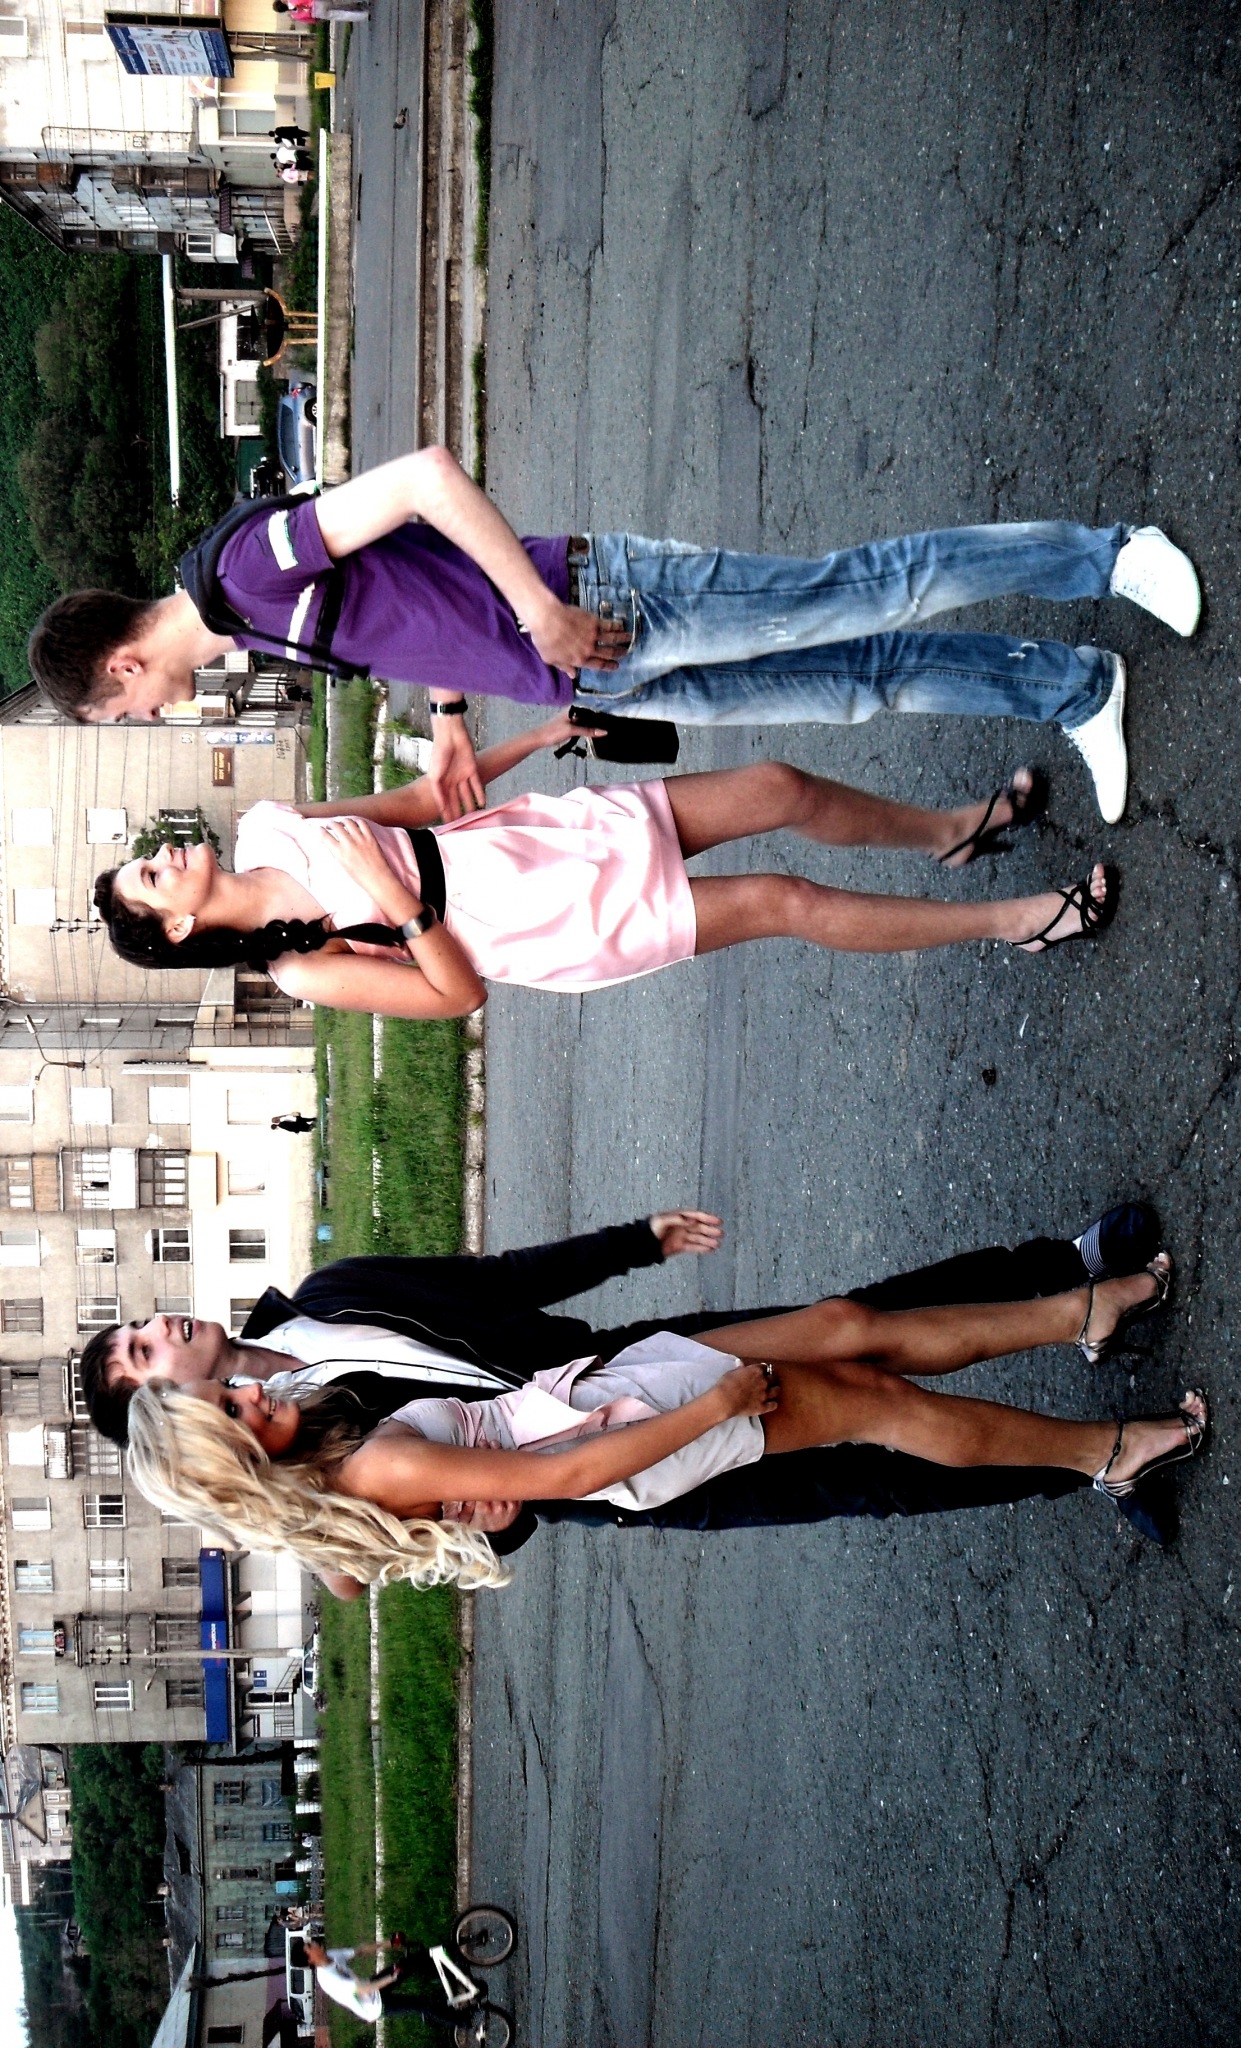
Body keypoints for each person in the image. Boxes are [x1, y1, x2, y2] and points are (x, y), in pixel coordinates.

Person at [25, 443, 1201, 824]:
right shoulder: (245, 624)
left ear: (122, 664)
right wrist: (449, 716)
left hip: (599, 603)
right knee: (861, 682)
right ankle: (1072, 689)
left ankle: (1108, 555)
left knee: (866, 590)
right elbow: (409, 597)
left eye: (125, 709)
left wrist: (537, 608)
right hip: (601, 669)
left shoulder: (242, 569)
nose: (148, 716)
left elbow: (426, 479)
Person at [80, 1199, 1179, 1545]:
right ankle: (1088, 1463)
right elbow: (494, 1510)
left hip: (607, 1367)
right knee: (874, 1464)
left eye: (137, 1328)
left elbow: (494, 1280)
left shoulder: (325, 1304)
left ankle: (1067, 1280)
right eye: (142, 1359)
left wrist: (628, 1244)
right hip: (631, 1455)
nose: (158, 1333)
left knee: (859, 1321)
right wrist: (490, 1520)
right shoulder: (320, 1458)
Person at [90, 715, 1119, 1015]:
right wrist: (397, 898)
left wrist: (531, 739)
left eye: (145, 856)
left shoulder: (267, 828)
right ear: (176, 927)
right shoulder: (299, 969)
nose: (163, 855)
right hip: (532, 924)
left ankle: (945, 829)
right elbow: (457, 996)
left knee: (774, 785)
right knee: (783, 898)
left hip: (518, 841)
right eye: (151, 877)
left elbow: (416, 805)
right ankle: (1015, 920)